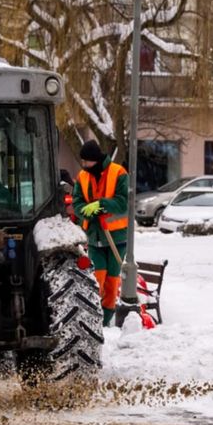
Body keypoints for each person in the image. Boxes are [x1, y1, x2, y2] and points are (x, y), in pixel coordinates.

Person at [71, 140, 129, 327]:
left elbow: (123, 202)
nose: (83, 165)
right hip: (94, 237)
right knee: (97, 279)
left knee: (112, 282)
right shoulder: (82, 176)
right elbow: (77, 202)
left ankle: (106, 321)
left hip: (116, 237)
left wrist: (101, 204)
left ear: (95, 159)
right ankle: (93, 318)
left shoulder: (118, 172)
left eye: (86, 161)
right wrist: (86, 211)